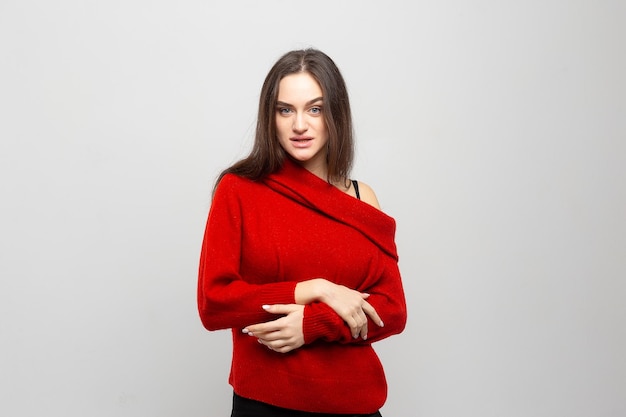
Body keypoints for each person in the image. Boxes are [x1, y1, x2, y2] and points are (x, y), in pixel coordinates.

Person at [197, 48, 407, 417]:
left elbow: (392, 310)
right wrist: (315, 288)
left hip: (355, 404)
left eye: (315, 109)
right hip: (266, 404)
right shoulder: (238, 190)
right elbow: (214, 303)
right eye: (285, 110)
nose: (299, 125)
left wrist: (314, 324)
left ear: (335, 114)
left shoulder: (362, 197)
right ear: (271, 117)